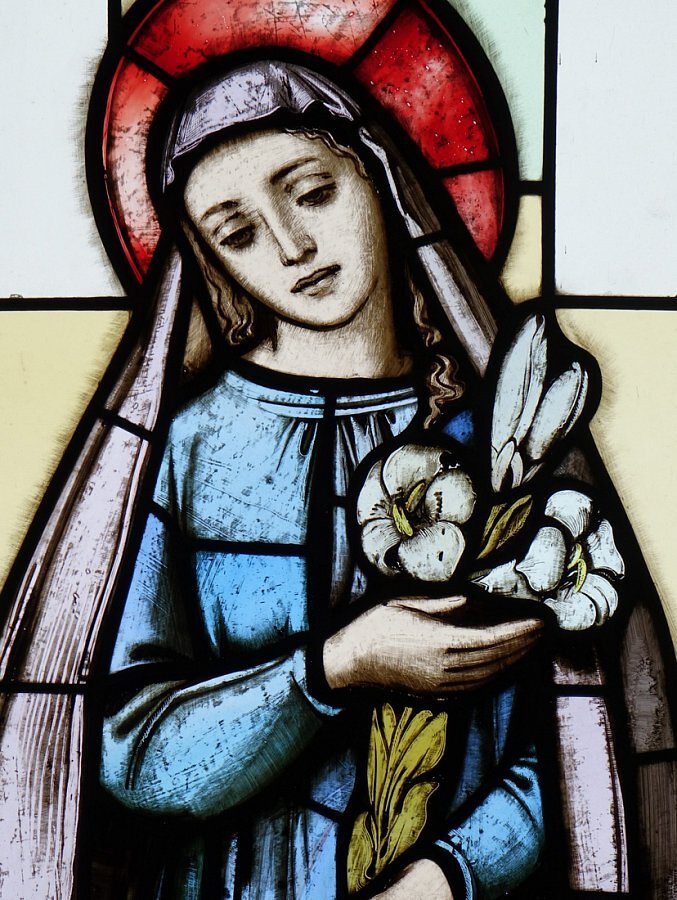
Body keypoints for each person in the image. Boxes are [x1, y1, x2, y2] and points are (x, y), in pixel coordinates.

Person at [99, 59, 553, 899]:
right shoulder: (186, 447)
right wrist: (335, 667)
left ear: (380, 182)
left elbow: (572, 731)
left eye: (310, 193)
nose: (291, 248)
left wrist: (445, 876)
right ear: (210, 265)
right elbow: (130, 756)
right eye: (237, 234)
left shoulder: (506, 436)